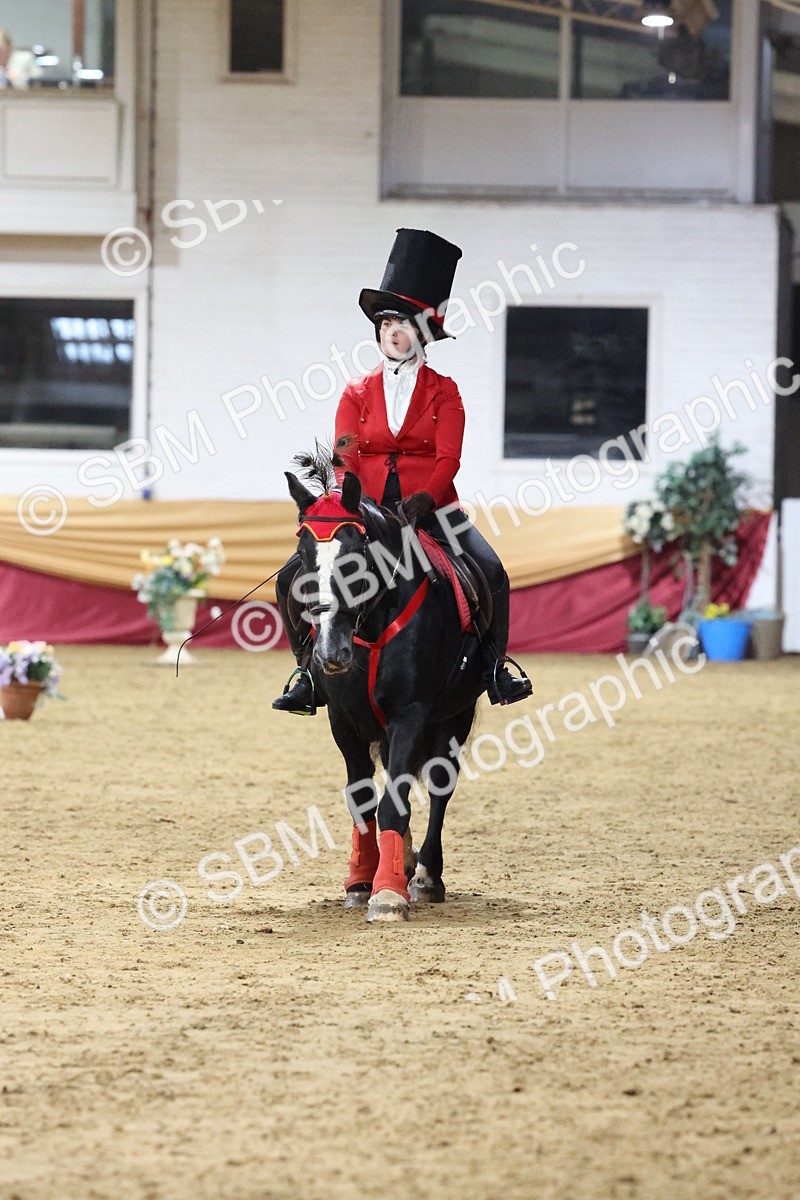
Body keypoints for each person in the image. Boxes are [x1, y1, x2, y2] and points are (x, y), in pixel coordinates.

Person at [273, 227, 532, 715]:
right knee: (292, 577)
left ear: (423, 332)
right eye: (387, 320)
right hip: (364, 512)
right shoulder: (355, 390)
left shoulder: (445, 390)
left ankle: (495, 668)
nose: (393, 329)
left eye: (405, 322)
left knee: (493, 571)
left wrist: (425, 499)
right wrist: (347, 500)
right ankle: (307, 672)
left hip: (432, 508)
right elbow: (345, 453)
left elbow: (449, 458)